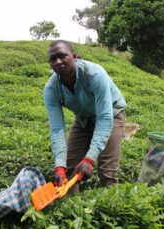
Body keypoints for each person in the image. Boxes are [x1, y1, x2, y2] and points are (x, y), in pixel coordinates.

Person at [43, 40, 126, 191]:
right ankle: (70, 208)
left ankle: (113, 209)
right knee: (68, 169)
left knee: (107, 171)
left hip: (112, 113)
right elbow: (57, 129)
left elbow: (105, 117)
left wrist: (89, 158)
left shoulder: (94, 74)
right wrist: (59, 166)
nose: (58, 62)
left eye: (62, 56)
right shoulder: (51, 89)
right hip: (84, 118)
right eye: (53, 59)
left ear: (74, 57)